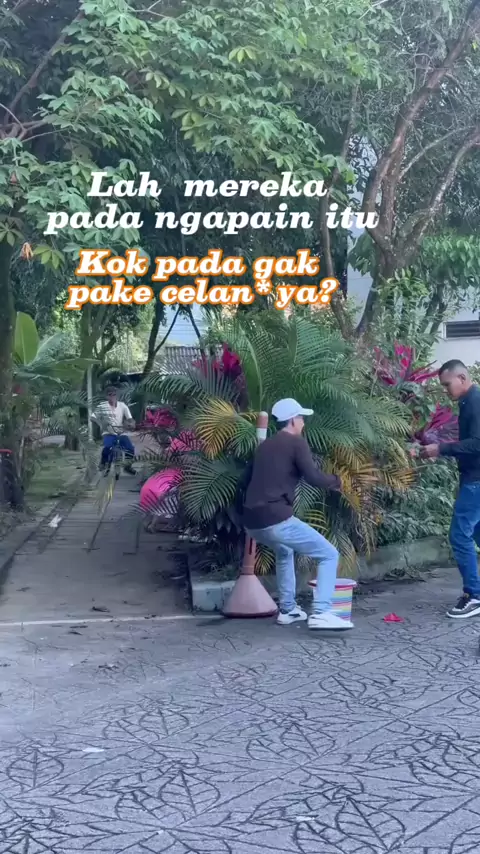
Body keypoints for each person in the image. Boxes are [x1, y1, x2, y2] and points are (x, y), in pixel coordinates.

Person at [242, 398, 352, 631]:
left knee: (284, 551)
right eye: (301, 417)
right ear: (292, 420)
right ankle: (321, 612)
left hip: (251, 521)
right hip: (275, 517)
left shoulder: (264, 446)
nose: (303, 422)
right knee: (329, 554)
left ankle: (288, 610)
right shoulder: (296, 442)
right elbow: (313, 476)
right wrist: (337, 481)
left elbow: (247, 480)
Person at [421, 360, 480, 618]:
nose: (446, 390)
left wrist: (441, 449)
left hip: (476, 481)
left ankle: (474, 595)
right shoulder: (469, 402)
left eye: (447, 384)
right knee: (476, 533)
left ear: (462, 378)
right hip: (474, 478)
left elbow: (477, 443)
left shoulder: (475, 402)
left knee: (459, 535)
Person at [91, 387, 137, 475]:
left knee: (130, 448)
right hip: (108, 432)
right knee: (107, 447)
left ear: (117, 396)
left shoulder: (122, 405)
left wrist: (131, 424)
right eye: (110, 395)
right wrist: (101, 424)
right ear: (106, 396)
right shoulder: (102, 406)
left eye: (114, 394)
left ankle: (128, 466)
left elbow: (130, 418)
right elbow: (92, 417)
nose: (112, 396)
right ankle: (103, 462)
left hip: (120, 432)